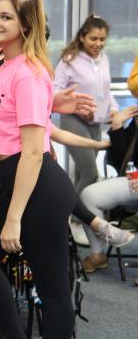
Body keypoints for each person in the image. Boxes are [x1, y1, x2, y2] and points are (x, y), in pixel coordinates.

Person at [0, 0, 75, 338]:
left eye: (6, 17)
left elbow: (33, 151)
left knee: (53, 292)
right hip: (20, 182)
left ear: (25, 24)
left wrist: (13, 218)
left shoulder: (28, 72)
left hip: (37, 188)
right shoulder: (9, 65)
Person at [54, 15, 118, 196]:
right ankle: (72, 212)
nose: (98, 44)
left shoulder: (103, 59)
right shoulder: (69, 59)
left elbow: (106, 91)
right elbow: (54, 90)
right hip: (74, 120)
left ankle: (77, 217)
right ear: (82, 37)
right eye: (93, 39)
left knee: (82, 173)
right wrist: (77, 105)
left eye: (102, 39)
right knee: (91, 174)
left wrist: (113, 109)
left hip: (97, 123)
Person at [78, 104, 138, 273]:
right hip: (132, 183)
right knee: (88, 195)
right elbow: (122, 158)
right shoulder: (134, 121)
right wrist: (117, 125)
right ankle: (98, 254)